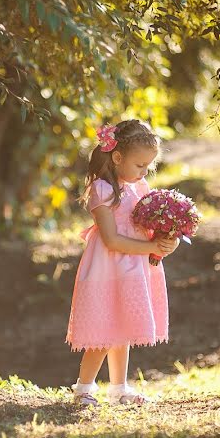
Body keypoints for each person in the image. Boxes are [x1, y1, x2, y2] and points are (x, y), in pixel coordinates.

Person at [65, 119, 179, 406]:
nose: (144, 171)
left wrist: (168, 240)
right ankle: (84, 389)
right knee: (105, 329)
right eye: (139, 165)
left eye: (148, 166)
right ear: (117, 157)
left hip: (133, 268)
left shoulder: (138, 187)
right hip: (108, 268)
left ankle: (119, 388)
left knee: (124, 325)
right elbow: (112, 240)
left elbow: (150, 228)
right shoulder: (102, 190)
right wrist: (150, 246)